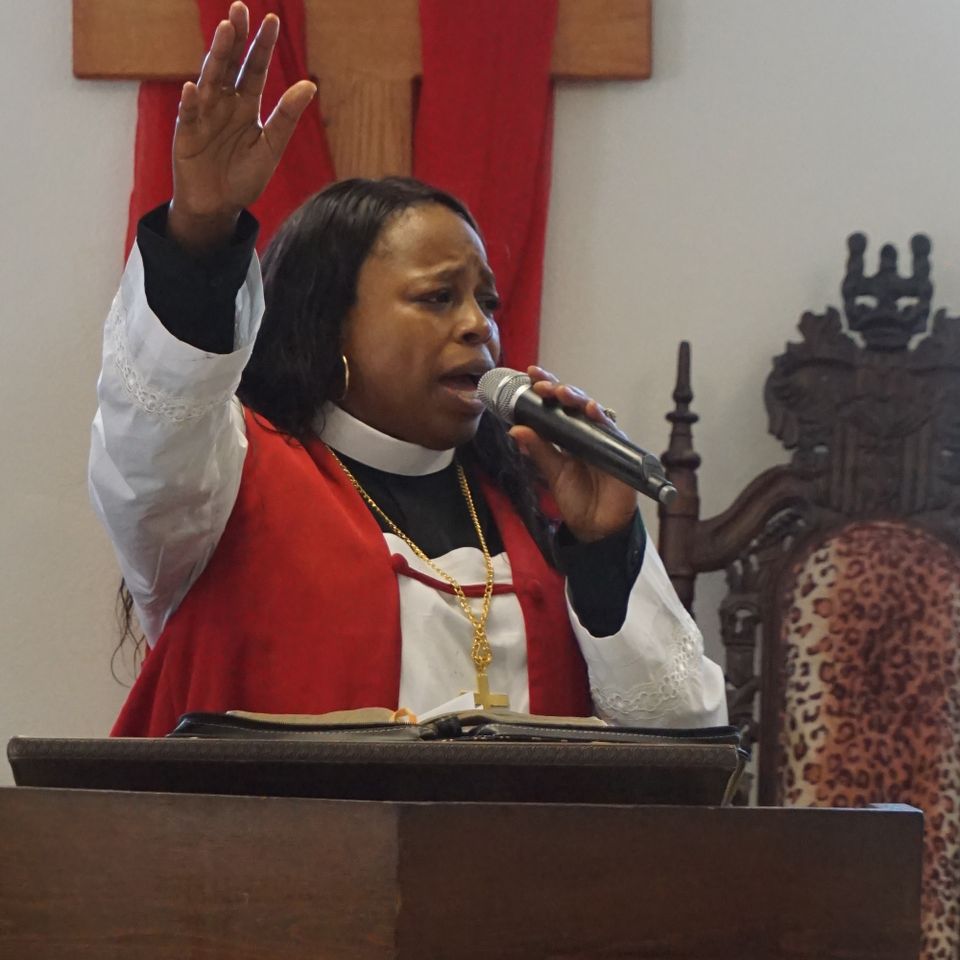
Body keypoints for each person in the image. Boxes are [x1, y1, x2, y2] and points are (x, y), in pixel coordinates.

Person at [89, 2, 726, 737]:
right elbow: (148, 454)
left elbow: (687, 733)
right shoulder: (227, 488)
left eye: (485, 301)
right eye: (437, 297)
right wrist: (201, 230)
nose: (478, 325)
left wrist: (605, 551)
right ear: (329, 324)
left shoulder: (533, 507)